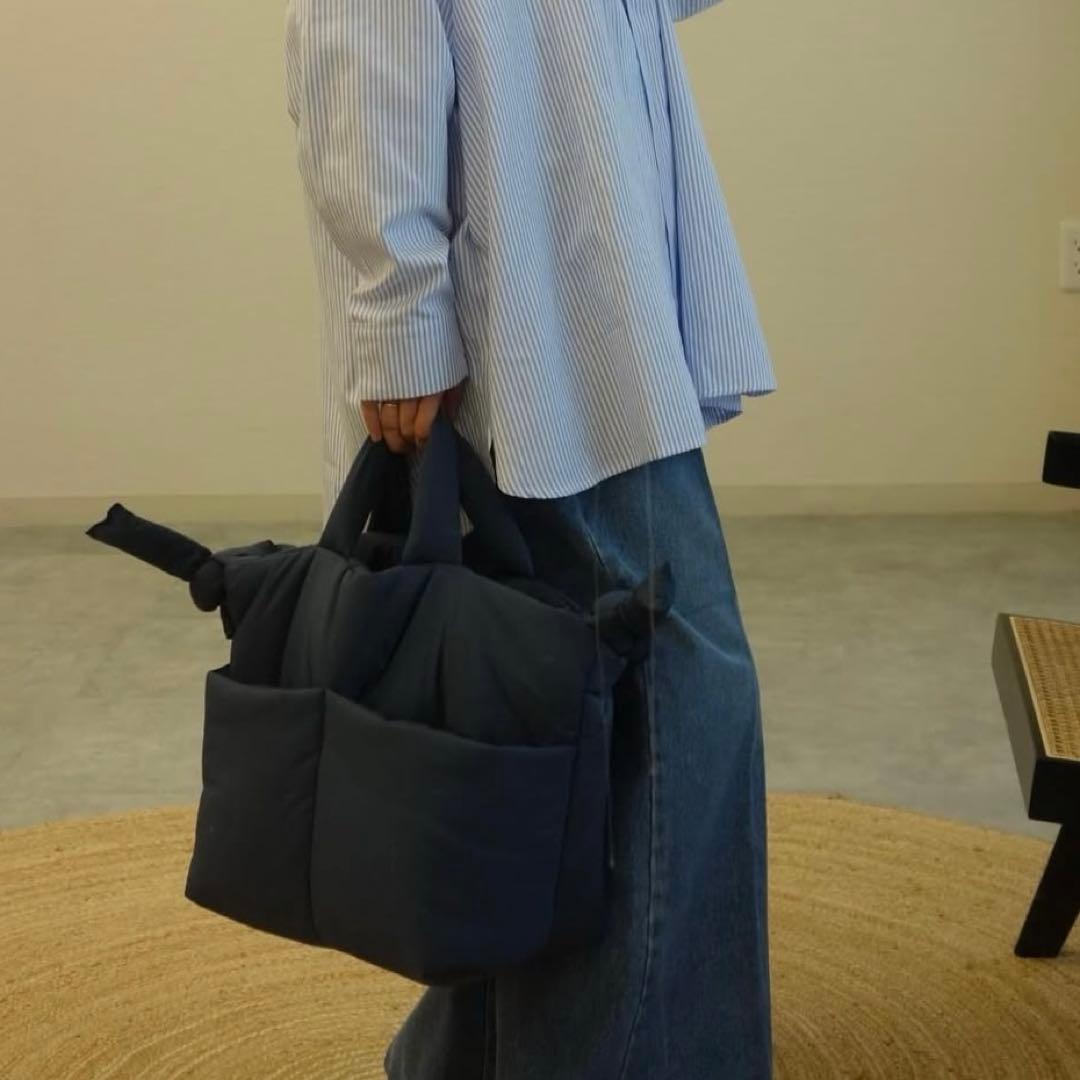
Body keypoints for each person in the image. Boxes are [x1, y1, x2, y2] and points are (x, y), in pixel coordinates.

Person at [284, 1, 777, 1076]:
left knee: (547, 721)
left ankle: (474, 1058)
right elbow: (357, 45)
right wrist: (399, 315)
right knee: (668, 710)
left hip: (584, 303)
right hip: (534, 326)